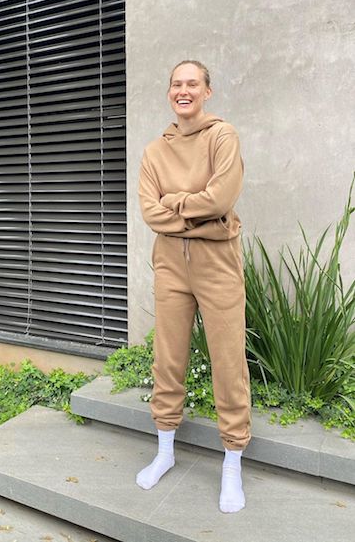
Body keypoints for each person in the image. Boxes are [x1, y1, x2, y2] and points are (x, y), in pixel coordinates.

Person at [137, 60, 252, 513]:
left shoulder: (223, 136)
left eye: (192, 84)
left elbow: (222, 198)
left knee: (228, 359)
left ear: (207, 91)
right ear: (169, 92)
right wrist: (201, 215)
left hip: (217, 265)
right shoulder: (154, 151)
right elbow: (151, 212)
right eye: (176, 84)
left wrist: (176, 203)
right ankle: (165, 451)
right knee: (168, 357)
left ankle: (232, 461)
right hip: (170, 264)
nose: (183, 91)